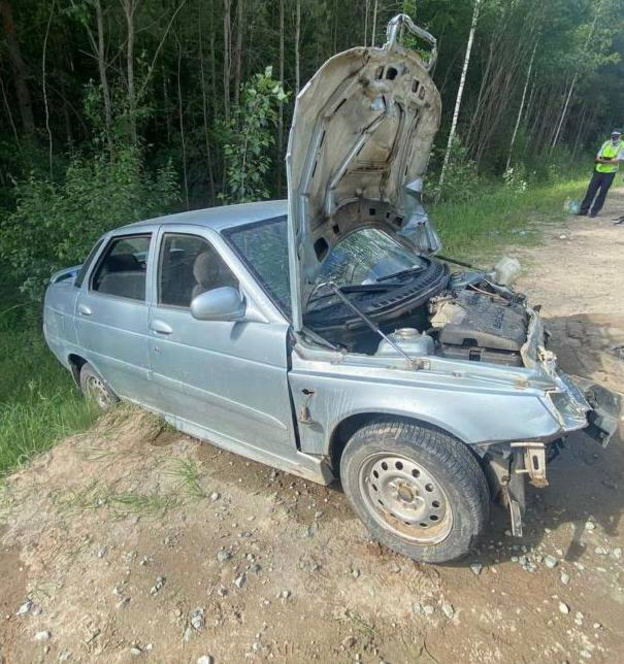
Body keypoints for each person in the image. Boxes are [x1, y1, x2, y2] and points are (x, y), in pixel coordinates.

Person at [579, 130, 624, 217]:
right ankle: (583, 210)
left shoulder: (622, 146)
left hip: (610, 172)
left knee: (602, 192)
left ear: (620, 136)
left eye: (616, 135)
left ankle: (594, 212)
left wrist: (603, 160)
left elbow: (617, 160)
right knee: (591, 190)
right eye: (613, 135)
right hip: (598, 170)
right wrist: (609, 159)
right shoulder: (606, 143)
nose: (614, 137)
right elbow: (597, 157)